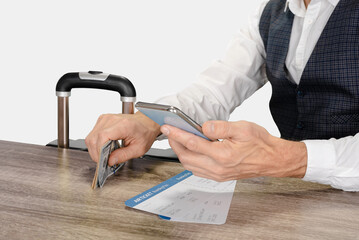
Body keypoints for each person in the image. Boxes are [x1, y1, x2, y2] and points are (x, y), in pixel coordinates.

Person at [85, 0, 359, 191]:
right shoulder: (271, 12)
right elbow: (217, 87)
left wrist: (286, 158)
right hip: (292, 197)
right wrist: (150, 120)